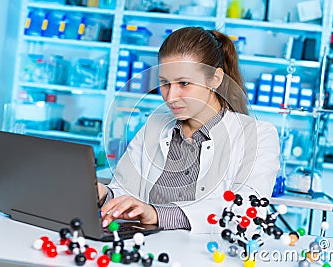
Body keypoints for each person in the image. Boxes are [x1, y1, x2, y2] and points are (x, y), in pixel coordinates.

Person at [97, 27, 280, 233]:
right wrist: (104, 194)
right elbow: (125, 190)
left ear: (215, 79)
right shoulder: (154, 125)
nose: (171, 96)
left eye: (184, 83)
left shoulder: (257, 136)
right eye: (164, 83)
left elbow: (246, 211)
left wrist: (157, 214)